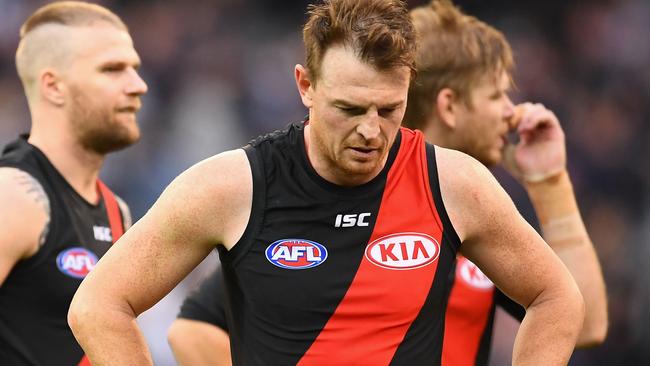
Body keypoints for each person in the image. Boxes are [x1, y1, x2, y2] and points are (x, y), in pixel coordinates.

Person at [69, 0, 584, 365]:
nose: (370, 129)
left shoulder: (452, 182)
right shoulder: (233, 186)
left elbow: (558, 297)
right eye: (349, 109)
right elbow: (98, 305)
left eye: (389, 109)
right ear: (305, 86)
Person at [0, 2, 147, 365]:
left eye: (135, 69)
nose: (138, 85)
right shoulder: (15, 195)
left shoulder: (117, 211)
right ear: (53, 86)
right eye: (112, 69)